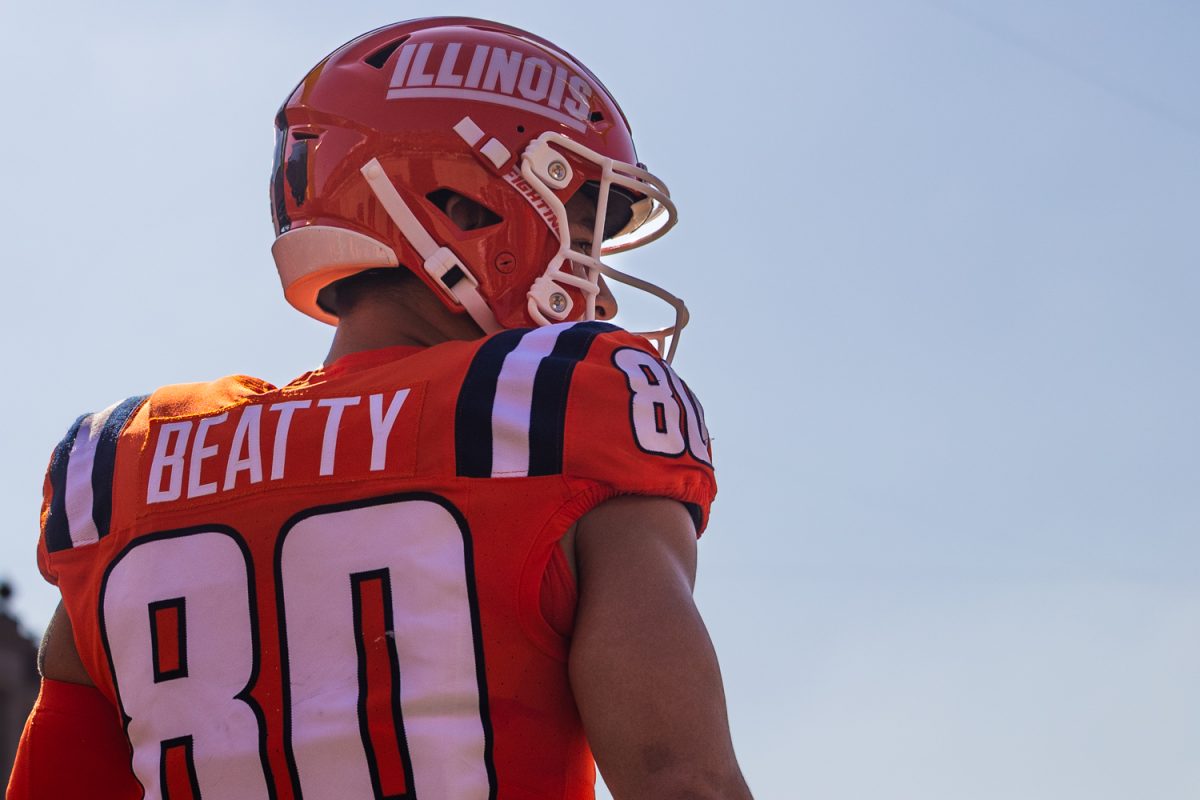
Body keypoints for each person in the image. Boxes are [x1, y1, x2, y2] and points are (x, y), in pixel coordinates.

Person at [7, 17, 752, 800]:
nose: (592, 279)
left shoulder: (125, 465)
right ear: (463, 207)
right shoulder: (559, 410)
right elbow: (682, 779)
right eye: (575, 223)